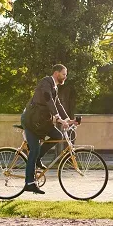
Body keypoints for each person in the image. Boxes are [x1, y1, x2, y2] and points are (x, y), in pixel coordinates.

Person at [20, 64, 76, 194]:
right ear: (56, 73)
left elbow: (57, 104)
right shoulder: (46, 82)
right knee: (33, 150)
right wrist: (57, 118)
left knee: (58, 136)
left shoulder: (54, 87)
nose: (65, 77)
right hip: (31, 121)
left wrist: (67, 119)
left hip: (41, 122)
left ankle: (38, 157)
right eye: (64, 74)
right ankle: (29, 183)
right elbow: (48, 99)